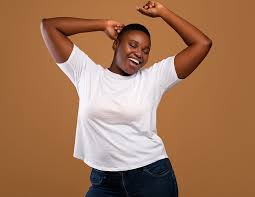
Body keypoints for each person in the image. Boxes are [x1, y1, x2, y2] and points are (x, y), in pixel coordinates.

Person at [40, 1, 212, 196]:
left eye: (146, 50)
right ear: (116, 43)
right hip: (104, 181)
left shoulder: (153, 79)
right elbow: (49, 26)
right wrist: (102, 24)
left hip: (150, 177)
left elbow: (202, 44)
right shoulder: (87, 73)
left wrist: (163, 12)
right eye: (133, 45)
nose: (139, 53)